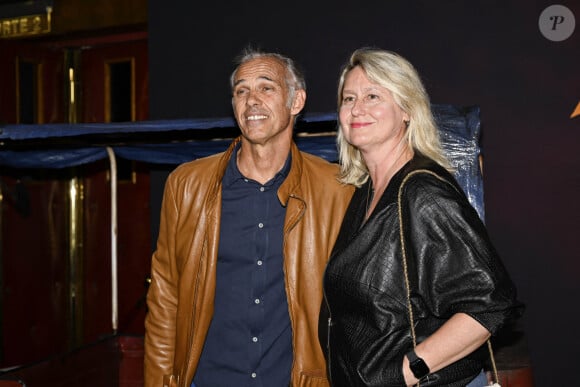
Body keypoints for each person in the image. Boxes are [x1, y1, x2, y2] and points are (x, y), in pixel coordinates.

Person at [144, 48, 353, 387]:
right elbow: (165, 298)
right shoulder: (186, 185)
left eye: (266, 87)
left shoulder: (336, 189)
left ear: (296, 100)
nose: (251, 100)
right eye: (241, 91)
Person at [319, 48, 524, 387]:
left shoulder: (423, 193)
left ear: (407, 110)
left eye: (373, 96)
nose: (357, 109)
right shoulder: (368, 192)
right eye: (349, 98)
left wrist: (407, 370)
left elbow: (489, 305)